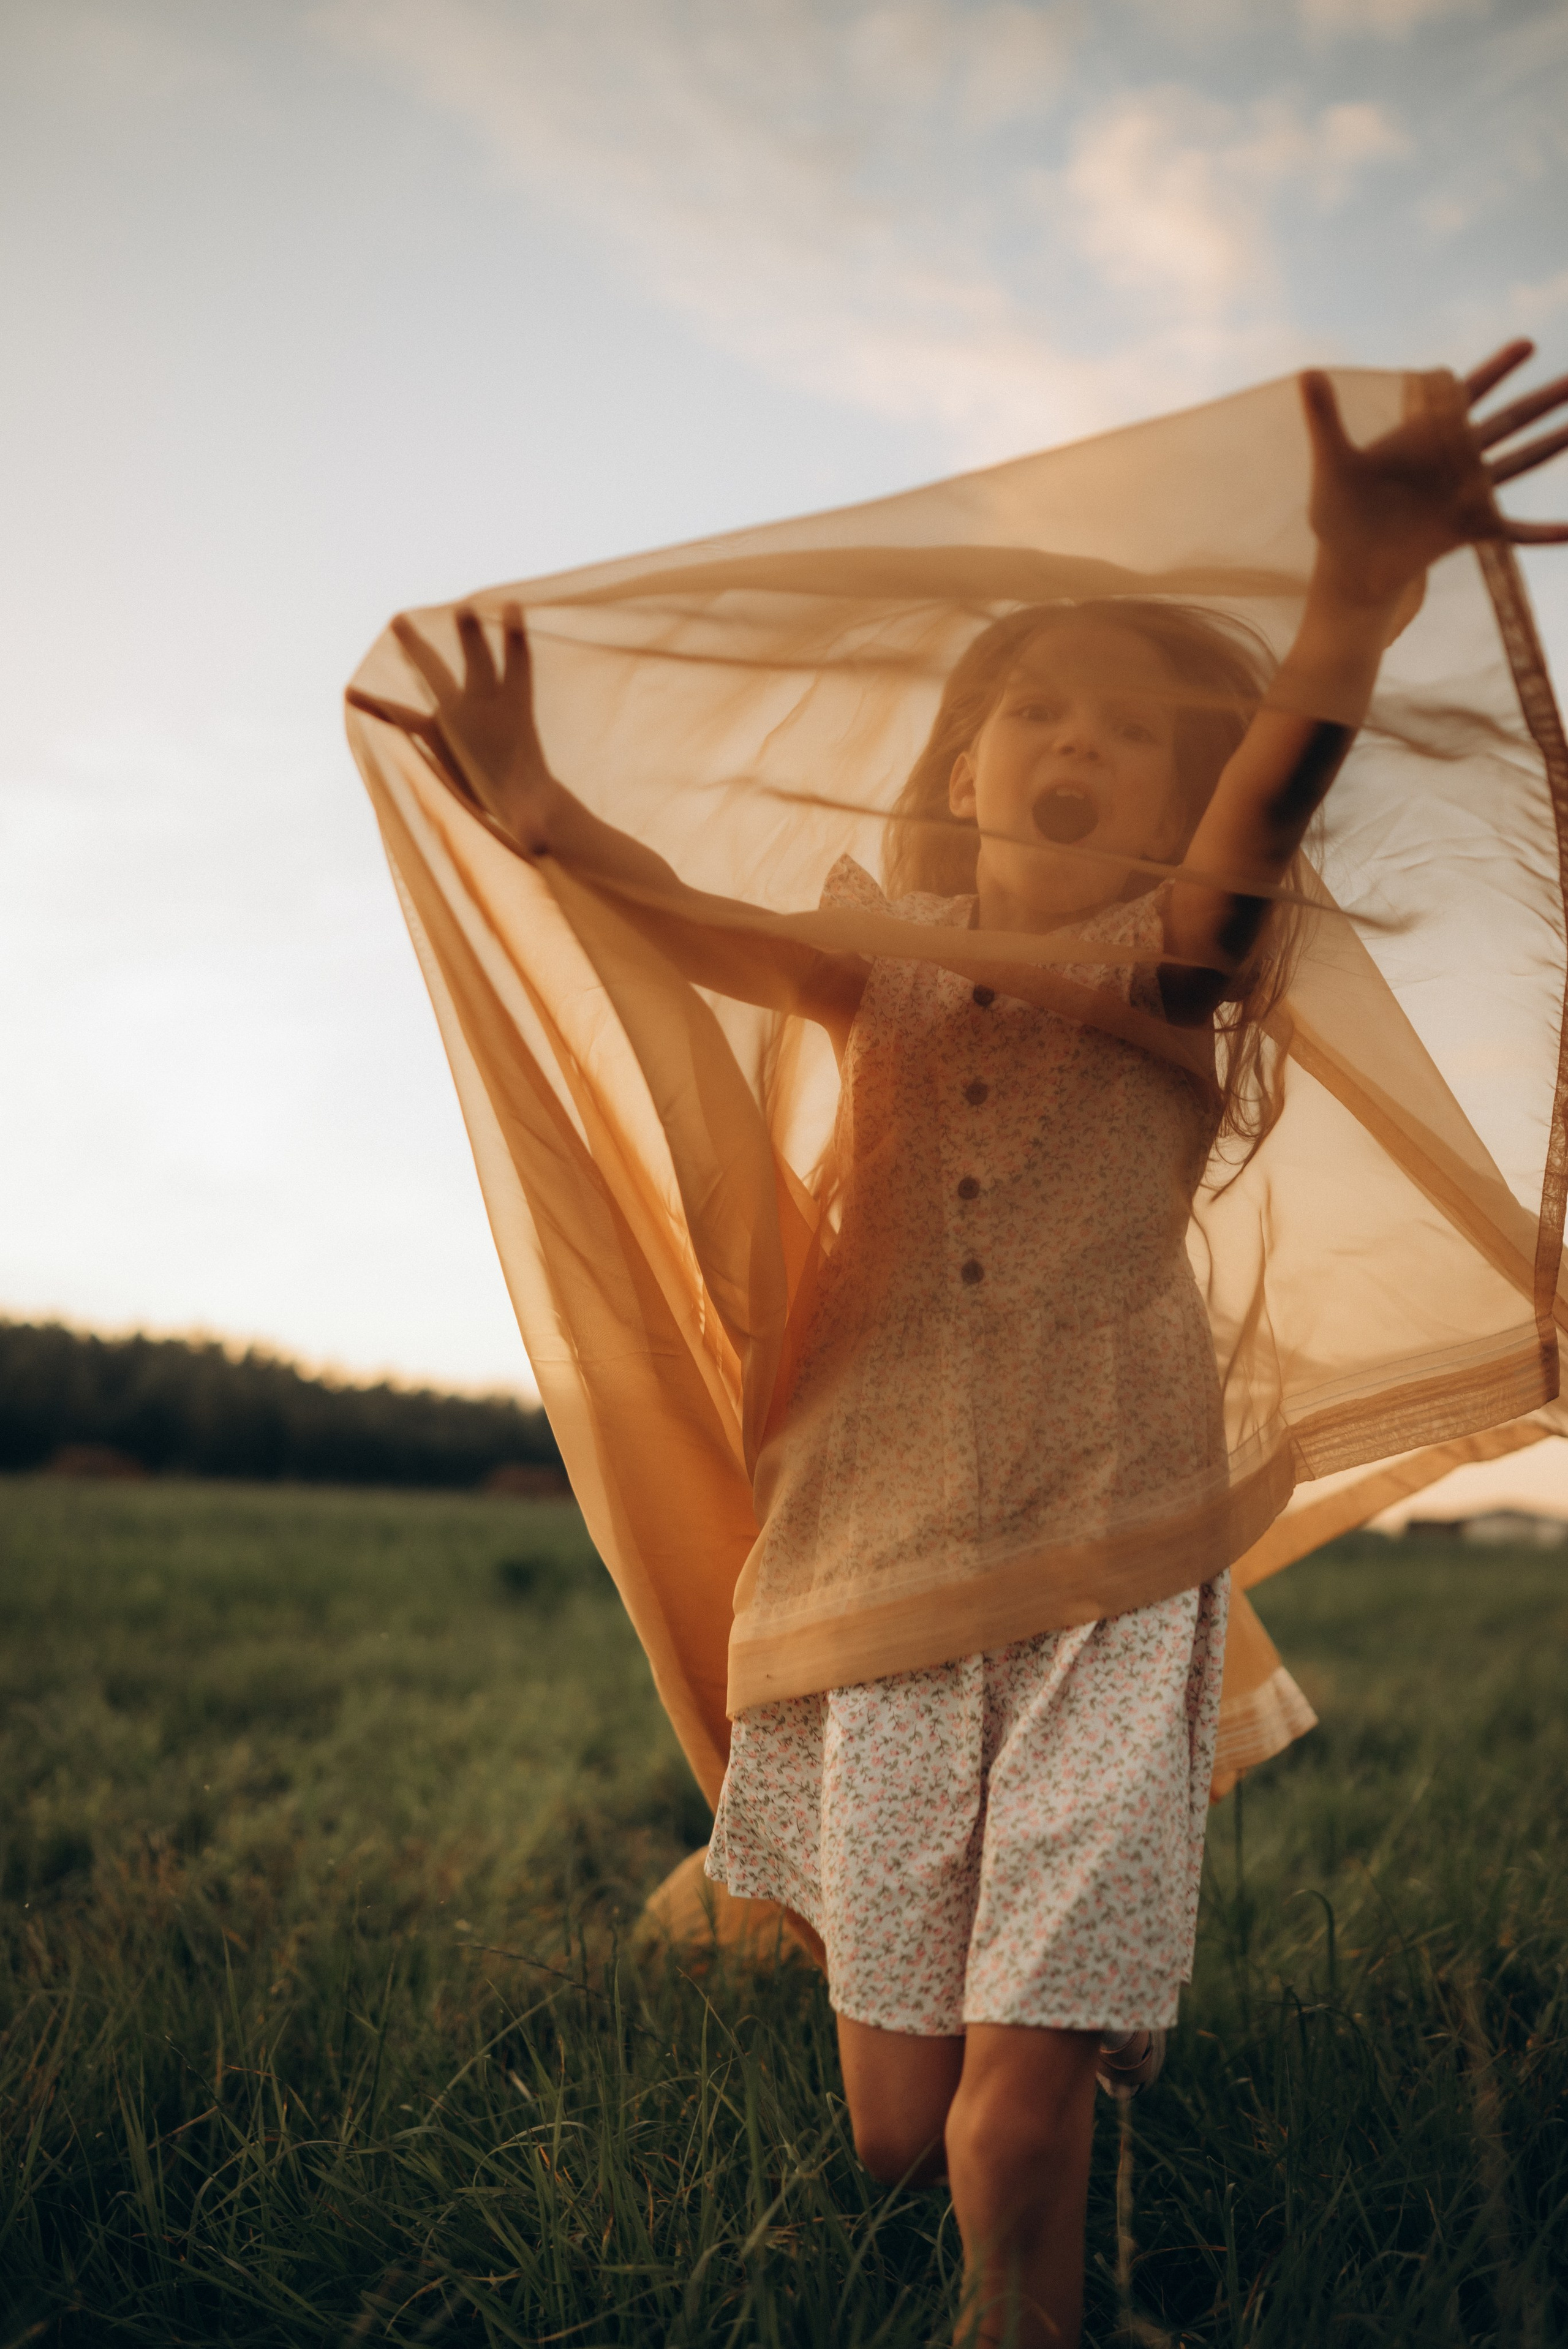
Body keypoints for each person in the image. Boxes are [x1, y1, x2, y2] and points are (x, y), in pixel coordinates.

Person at [375, 347, 1568, 2348]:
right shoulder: (882, 965)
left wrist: (1351, 607)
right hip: (876, 1549)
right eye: (1036, 711)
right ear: (962, 771)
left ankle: (1034, 2274)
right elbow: (700, 926)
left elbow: (1270, 802)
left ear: (1176, 792)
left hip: (1107, 1540)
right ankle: (1011, 2031)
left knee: (1010, 2115)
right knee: (892, 2130)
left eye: (1130, 728)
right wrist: (549, 817)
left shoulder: (1175, 966)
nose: (1077, 739)